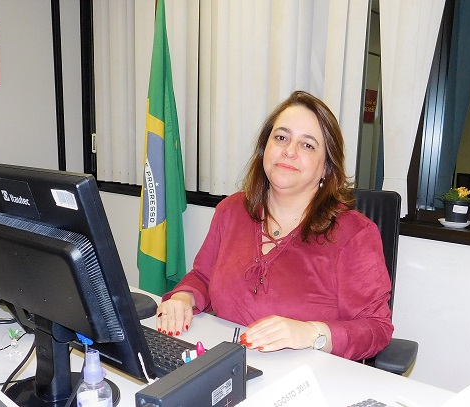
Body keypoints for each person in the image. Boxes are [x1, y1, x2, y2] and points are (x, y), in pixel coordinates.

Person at [156, 91, 393, 361]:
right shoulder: (231, 210)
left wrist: (310, 333)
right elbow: (203, 276)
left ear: (326, 167)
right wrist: (183, 298)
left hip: (305, 376)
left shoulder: (354, 234)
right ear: (264, 149)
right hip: (226, 362)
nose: (289, 151)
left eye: (308, 145)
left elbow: (376, 327)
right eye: (281, 138)